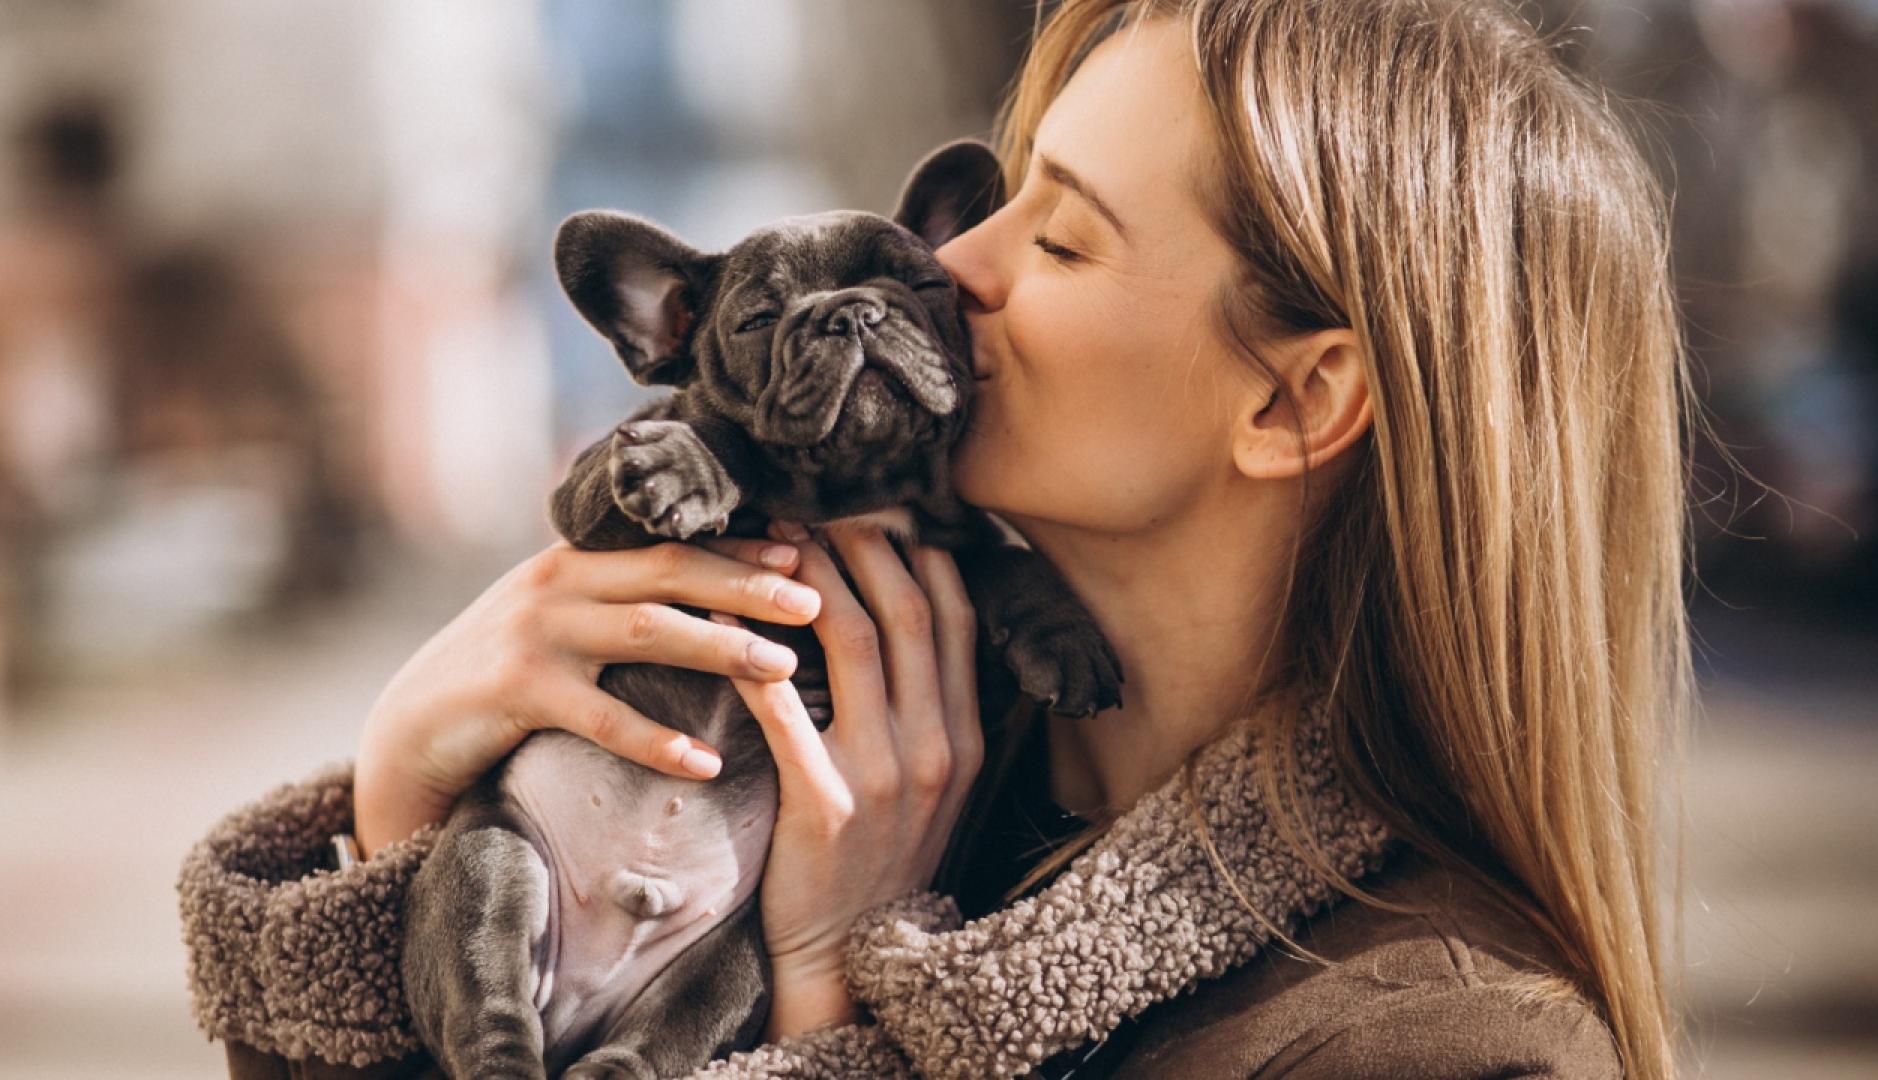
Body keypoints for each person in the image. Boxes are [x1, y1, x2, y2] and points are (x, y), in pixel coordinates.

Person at [178, 1, 1692, 1077]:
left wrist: (824, 990)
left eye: (1060, 234)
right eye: (994, 204)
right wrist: (407, 810)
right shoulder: (948, 760)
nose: (948, 265)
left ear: (1294, 399)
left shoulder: (1433, 1042)